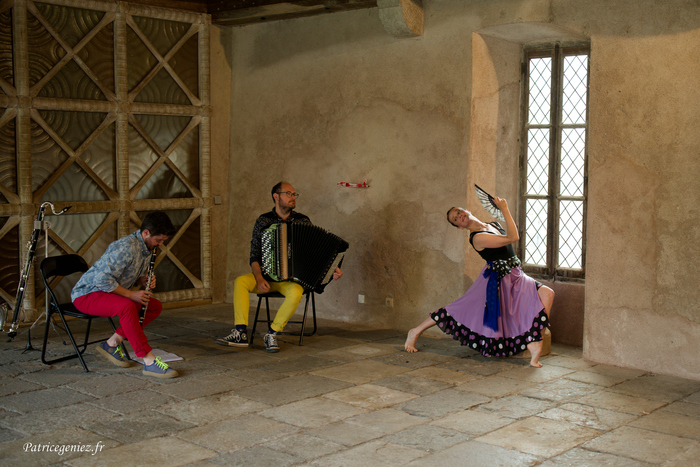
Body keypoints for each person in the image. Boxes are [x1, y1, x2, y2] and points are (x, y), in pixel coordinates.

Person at [404, 197, 554, 367]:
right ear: (460, 226)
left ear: (467, 210)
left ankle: (535, 339)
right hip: (496, 281)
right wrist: (504, 208)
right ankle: (415, 331)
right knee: (459, 309)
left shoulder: (493, 225)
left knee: (547, 294)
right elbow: (513, 237)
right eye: (455, 218)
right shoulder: (477, 238)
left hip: (516, 275)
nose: (459, 216)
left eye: (460, 211)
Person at [217, 182, 342, 353]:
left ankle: (272, 333)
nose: (293, 197)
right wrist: (259, 278)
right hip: (266, 277)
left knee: (296, 292)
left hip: (291, 280)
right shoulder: (263, 221)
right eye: (288, 193)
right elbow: (254, 255)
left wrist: (331, 270)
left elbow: (316, 253)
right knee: (240, 282)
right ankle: (240, 332)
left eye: (294, 194)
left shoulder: (302, 221)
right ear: (276, 196)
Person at [71, 211, 179, 378]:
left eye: (163, 241)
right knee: (127, 306)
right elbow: (101, 279)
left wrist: (140, 281)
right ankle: (148, 360)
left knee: (153, 306)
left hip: (108, 293)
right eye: (159, 240)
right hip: (87, 294)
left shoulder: (146, 247)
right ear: (146, 233)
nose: (160, 244)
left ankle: (113, 343)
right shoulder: (126, 247)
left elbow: (120, 275)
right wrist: (130, 294)